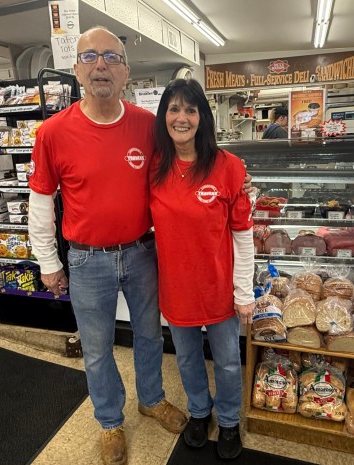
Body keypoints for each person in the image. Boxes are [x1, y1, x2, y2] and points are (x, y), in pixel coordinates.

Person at [28, 26, 188, 465]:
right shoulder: (53, 132)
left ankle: (151, 399)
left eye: (111, 58)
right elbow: (41, 202)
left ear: (126, 73)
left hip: (142, 253)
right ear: (76, 70)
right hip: (85, 260)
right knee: (97, 349)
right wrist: (47, 261)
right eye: (90, 57)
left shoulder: (145, 125)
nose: (101, 64)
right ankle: (109, 421)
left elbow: (174, 180)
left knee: (151, 336)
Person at [149, 78, 255, 460]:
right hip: (176, 287)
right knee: (189, 357)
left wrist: (243, 292)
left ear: (202, 117)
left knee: (227, 361)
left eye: (190, 110)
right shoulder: (155, 168)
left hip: (219, 289)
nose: (181, 117)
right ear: (164, 117)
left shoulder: (227, 167)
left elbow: (243, 235)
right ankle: (199, 411)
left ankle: (228, 420)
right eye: (173, 109)